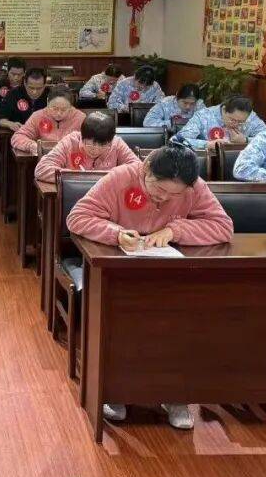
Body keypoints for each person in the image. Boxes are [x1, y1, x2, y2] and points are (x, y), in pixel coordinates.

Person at [67, 142, 234, 430]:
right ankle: (115, 390)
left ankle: (175, 395)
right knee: (122, 317)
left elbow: (223, 227)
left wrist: (175, 230)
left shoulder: (194, 187)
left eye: (174, 194)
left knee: (184, 319)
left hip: (169, 273)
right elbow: (77, 217)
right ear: (146, 169)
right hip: (120, 271)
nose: (164, 198)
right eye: (158, 189)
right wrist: (116, 234)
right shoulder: (121, 177)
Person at [34, 111, 137, 183]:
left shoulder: (116, 143)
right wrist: (78, 177)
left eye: (102, 145)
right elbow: (42, 169)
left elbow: (137, 169)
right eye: (90, 144)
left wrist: (112, 177)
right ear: (82, 137)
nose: (96, 149)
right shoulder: (70, 142)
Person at [10, 85, 85, 154]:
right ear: (47, 102)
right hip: (44, 159)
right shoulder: (38, 116)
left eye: (63, 109)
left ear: (71, 106)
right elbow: (18, 137)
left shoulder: (80, 118)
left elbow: (89, 142)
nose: (59, 113)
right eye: (55, 108)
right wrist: (31, 145)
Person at [175, 95, 266, 150]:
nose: (236, 124)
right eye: (232, 120)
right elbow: (178, 140)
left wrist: (246, 140)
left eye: (241, 122)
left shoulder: (251, 117)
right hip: (208, 163)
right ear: (224, 110)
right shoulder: (204, 116)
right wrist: (207, 144)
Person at [0, 67, 48, 131]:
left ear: (44, 85)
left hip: (44, 133)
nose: (34, 92)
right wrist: (10, 124)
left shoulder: (50, 96)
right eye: (31, 88)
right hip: (18, 133)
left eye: (39, 88)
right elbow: (0, 120)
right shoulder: (13, 94)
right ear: (25, 83)